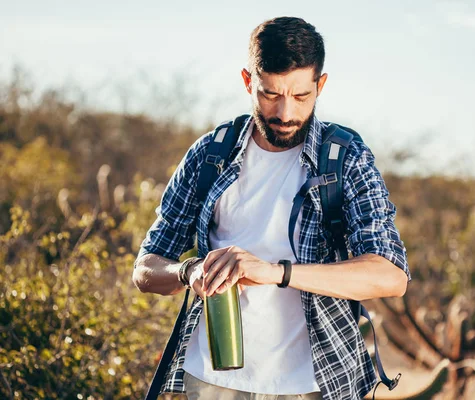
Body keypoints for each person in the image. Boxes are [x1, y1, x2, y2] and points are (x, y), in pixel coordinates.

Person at [132, 16, 411, 400]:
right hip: (212, 382)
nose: (284, 113)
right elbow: (145, 269)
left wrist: (274, 273)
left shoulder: (344, 158)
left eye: (300, 96)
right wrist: (189, 270)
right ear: (249, 81)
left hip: (312, 385)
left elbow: (390, 277)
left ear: (321, 85)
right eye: (270, 94)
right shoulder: (210, 155)